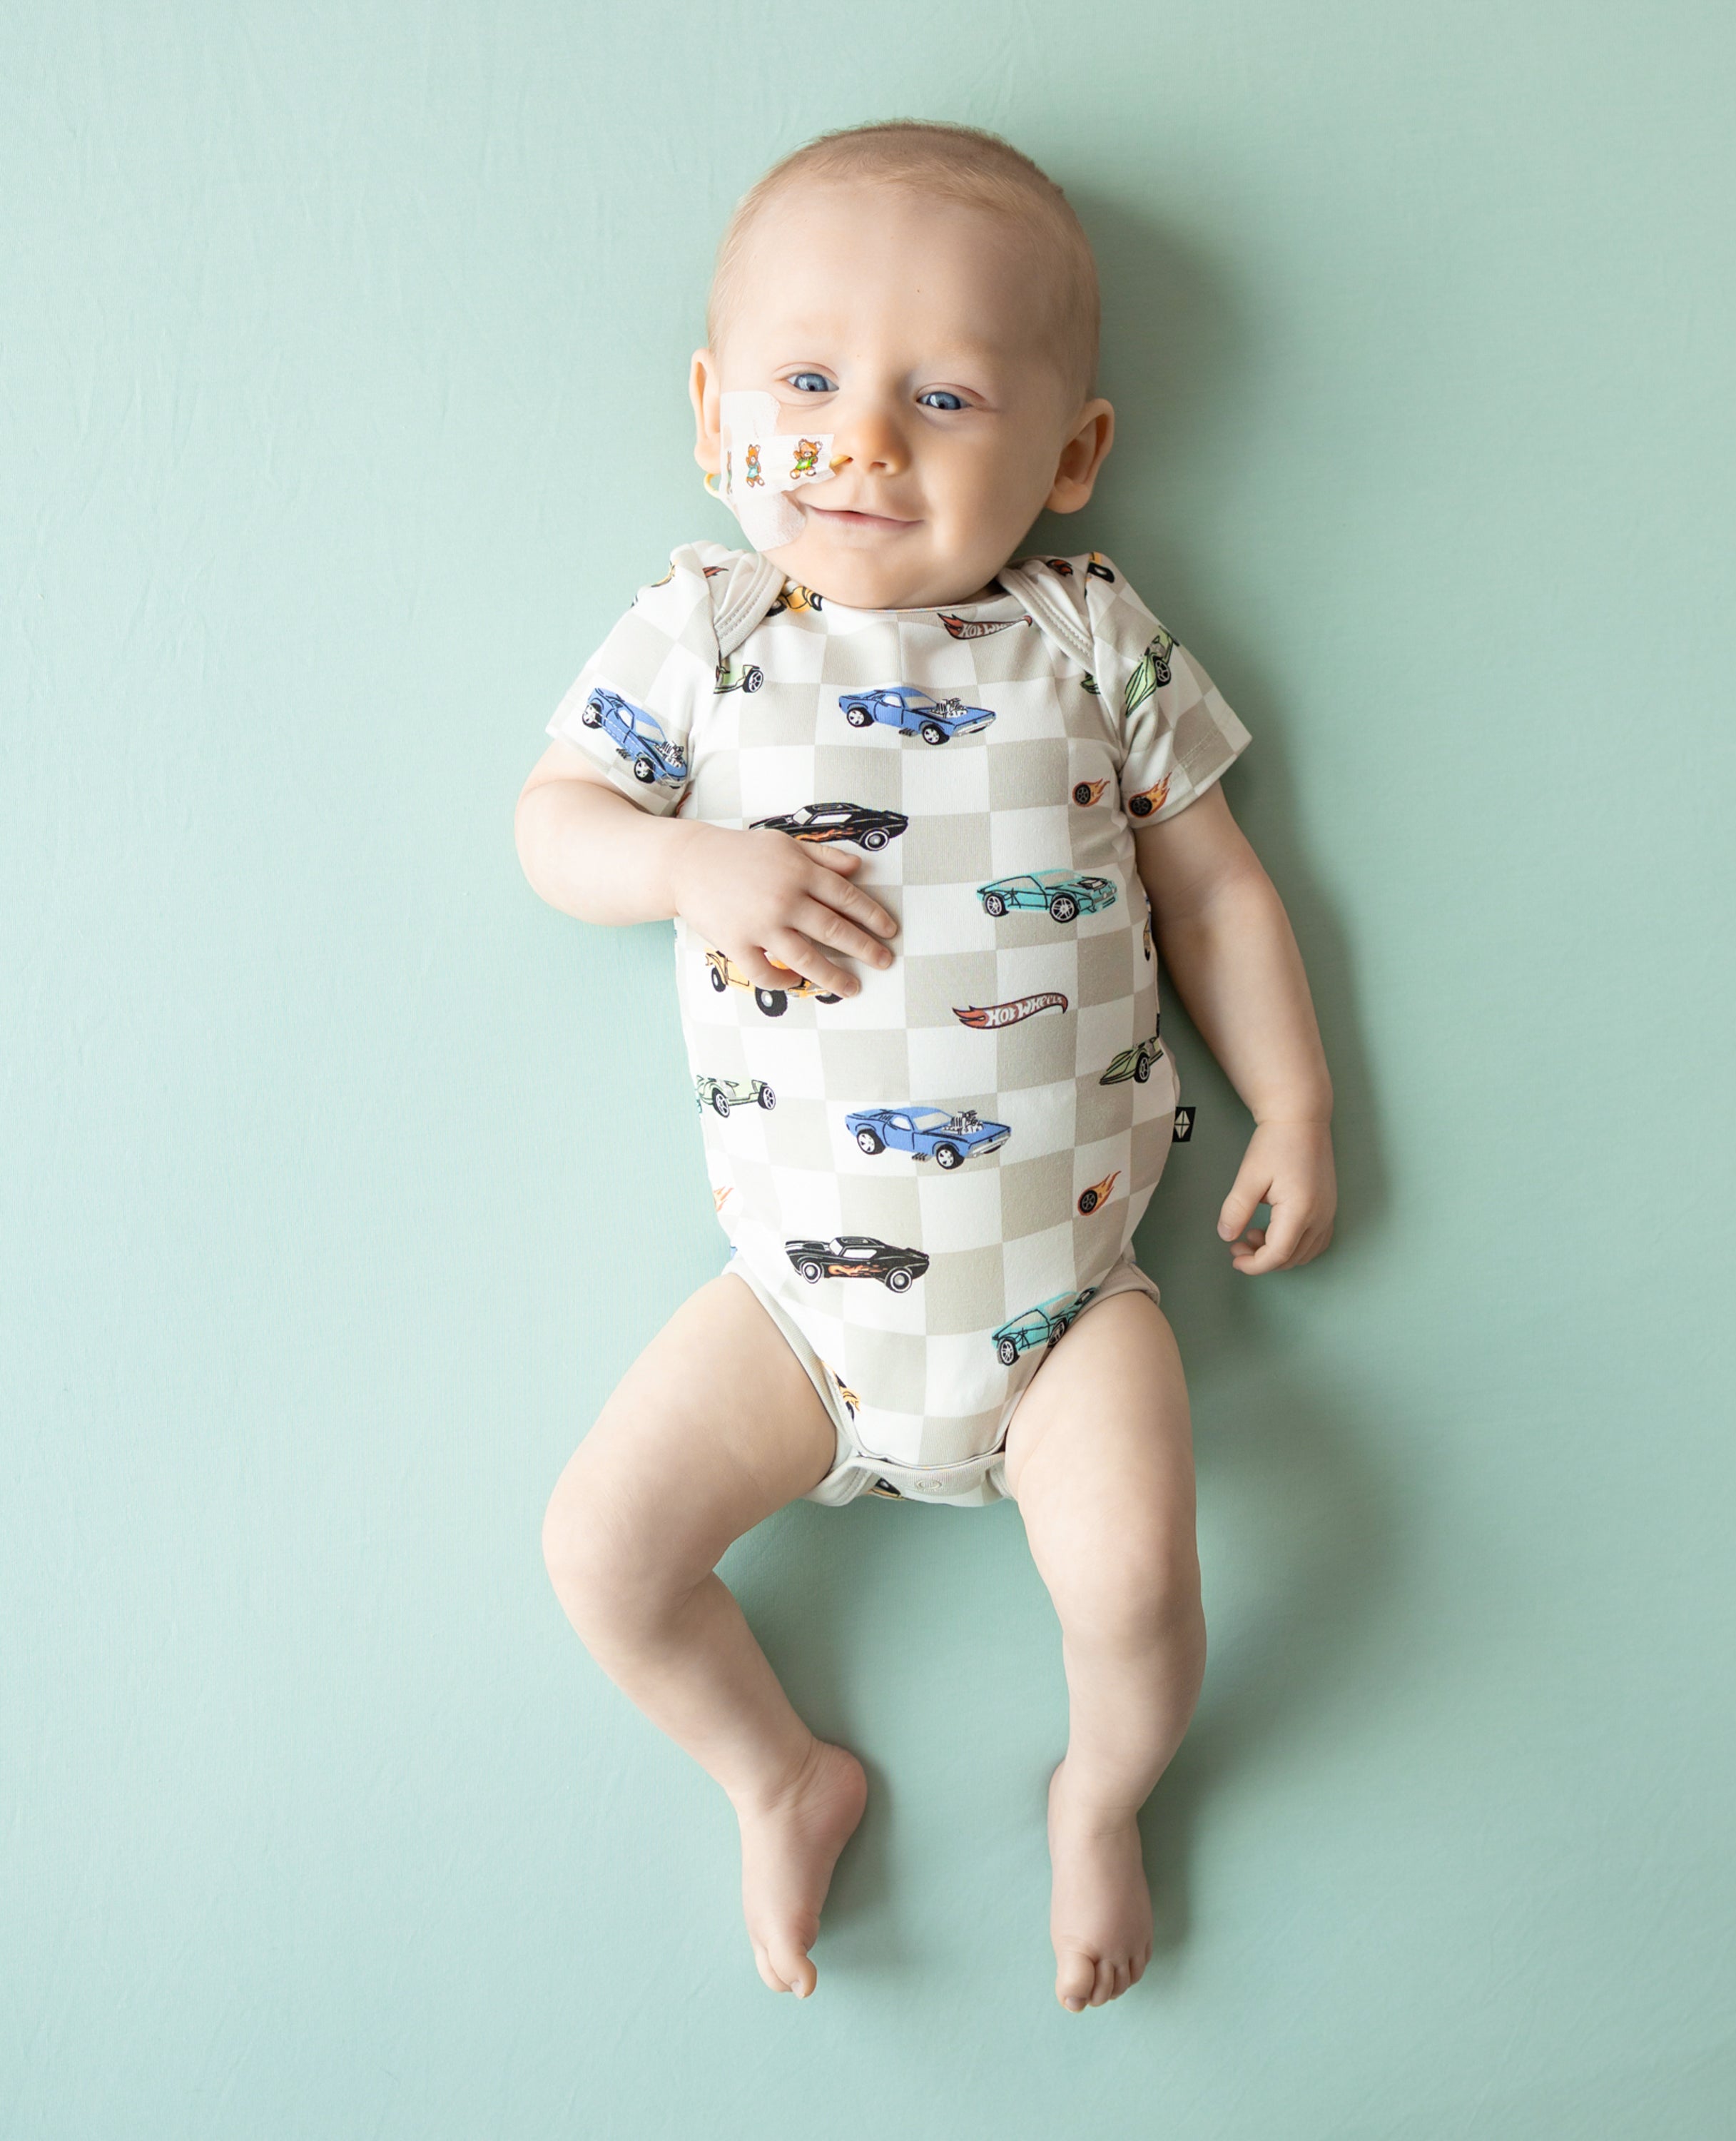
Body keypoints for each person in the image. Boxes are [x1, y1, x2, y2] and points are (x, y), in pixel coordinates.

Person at [514, 120, 1336, 2014]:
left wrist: (1294, 1101)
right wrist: (677, 862)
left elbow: (1213, 888)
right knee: (602, 1553)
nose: (865, 439)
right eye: (809, 383)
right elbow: (555, 826)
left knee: (1137, 1592)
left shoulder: (1087, 635)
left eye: (942, 394)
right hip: (798, 1311)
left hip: (1072, 1315)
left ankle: (1103, 1793)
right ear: (718, 412)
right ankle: (774, 1769)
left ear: (1068, 453)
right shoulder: (705, 633)